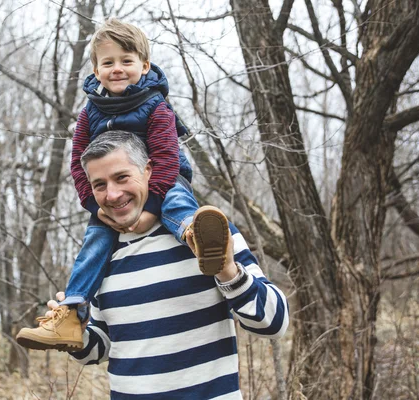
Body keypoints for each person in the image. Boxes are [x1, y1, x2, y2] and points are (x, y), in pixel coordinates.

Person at [17, 19, 230, 351]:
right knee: (94, 241)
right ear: (96, 69)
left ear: (144, 66)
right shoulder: (90, 113)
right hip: (116, 196)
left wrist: (149, 210)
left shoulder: (156, 106)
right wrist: (96, 206)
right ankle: (72, 315)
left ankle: (198, 238)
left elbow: (166, 157)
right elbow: (78, 164)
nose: (117, 69)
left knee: (177, 200)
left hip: (162, 180)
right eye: (108, 62)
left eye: (126, 61)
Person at [38, 131, 289, 399]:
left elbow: (275, 323)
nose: (112, 194)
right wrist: (78, 334)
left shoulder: (205, 232)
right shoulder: (101, 254)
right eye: (99, 185)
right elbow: (99, 350)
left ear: (148, 170)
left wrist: (228, 271)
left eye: (122, 177)